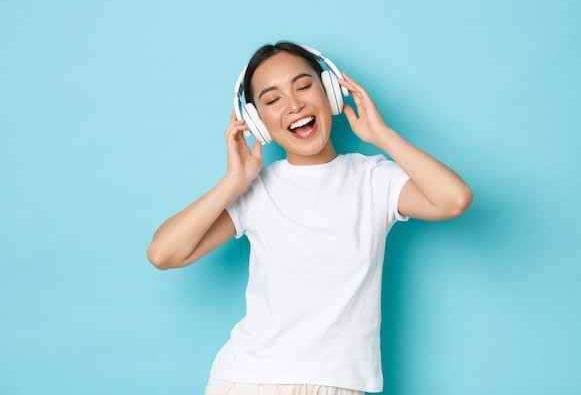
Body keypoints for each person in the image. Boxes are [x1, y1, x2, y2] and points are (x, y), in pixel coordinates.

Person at [147, 42, 473, 395]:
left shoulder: (375, 179)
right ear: (258, 122)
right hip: (248, 381)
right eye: (272, 100)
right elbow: (164, 254)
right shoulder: (256, 191)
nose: (294, 105)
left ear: (330, 93)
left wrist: (383, 136)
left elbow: (454, 200)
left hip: (339, 384)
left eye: (304, 86)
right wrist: (234, 180)